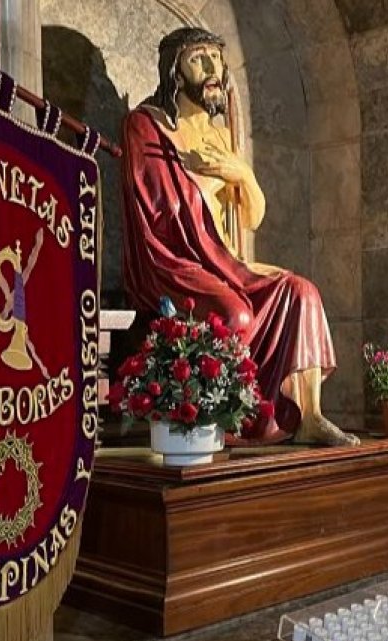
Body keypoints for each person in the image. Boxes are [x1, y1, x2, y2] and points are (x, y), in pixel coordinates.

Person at [120, 27, 358, 446]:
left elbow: (251, 217)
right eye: (198, 59)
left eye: (216, 58)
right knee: (235, 317)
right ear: (174, 70)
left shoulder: (220, 136)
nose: (212, 68)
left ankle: (310, 417)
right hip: (177, 264)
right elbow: (159, 210)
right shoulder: (144, 125)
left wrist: (242, 174)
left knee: (302, 292)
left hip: (228, 263)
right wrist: (205, 183)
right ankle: (222, 417)